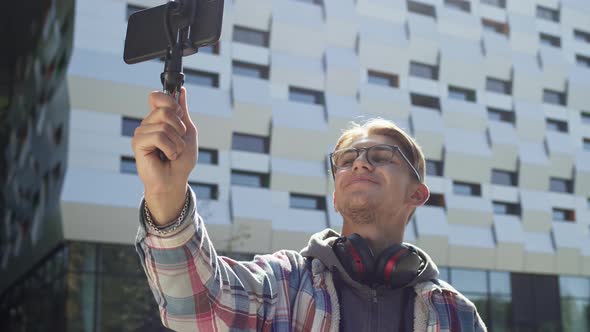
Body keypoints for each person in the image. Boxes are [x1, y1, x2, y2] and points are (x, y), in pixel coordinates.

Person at [133, 88, 487, 331]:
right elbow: (200, 306)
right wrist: (165, 191)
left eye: (381, 157)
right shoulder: (283, 283)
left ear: (417, 194)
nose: (360, 164)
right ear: (336, 197)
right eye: (347, 161)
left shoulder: (456, 313)